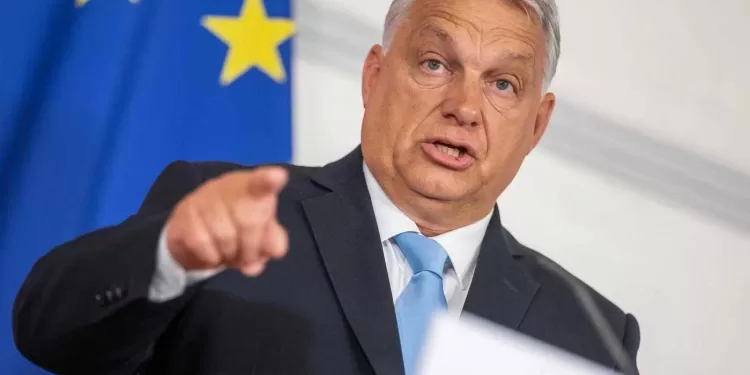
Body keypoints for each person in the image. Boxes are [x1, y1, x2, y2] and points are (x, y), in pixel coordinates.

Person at [13, 0, 641, 374]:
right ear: (374, 77)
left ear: (537, 123)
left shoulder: (589, 336)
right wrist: (168, 256)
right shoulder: (226, 216)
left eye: (503, 84)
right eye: (434, 63)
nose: (465, 107)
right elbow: (48, 334)